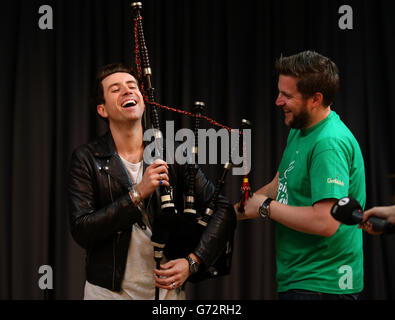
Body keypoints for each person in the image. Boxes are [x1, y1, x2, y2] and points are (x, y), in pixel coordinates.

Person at [68, 63, 236, 300]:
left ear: (143, 100)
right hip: (106, 293)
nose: (127, 92)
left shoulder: (174, 154)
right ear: (102, 109)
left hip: (166, 295)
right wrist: (137, 194)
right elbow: (82, 229)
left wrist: (193, 261)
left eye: (132, 86)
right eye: (115, 89)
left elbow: (223, 208)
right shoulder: (86, 158)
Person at [237, 51, 366, 300]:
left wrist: (265, 207)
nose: (277, 101)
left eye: (287, 95)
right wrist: (230, 213)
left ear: (315, 99)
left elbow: (326, 222)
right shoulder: (302, 128)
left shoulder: (329, 143)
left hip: (322, 286)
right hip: (302, 280)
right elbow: (280, 183)